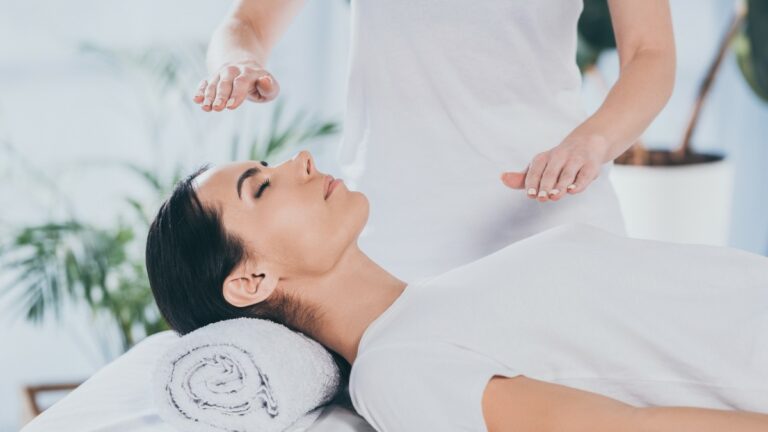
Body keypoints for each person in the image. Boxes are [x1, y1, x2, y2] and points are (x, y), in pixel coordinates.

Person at [146, 151, 768, 432]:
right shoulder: (394, 371)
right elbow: (629, 429)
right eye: (261, 187)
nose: (300, 160)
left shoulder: (439, 300)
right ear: (251, 281)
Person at [194, 0, 676, 282]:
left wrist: (592, 143)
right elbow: (247, 23)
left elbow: (650, 53)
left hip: (554, 220)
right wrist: (237, 61)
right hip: (394, 247)